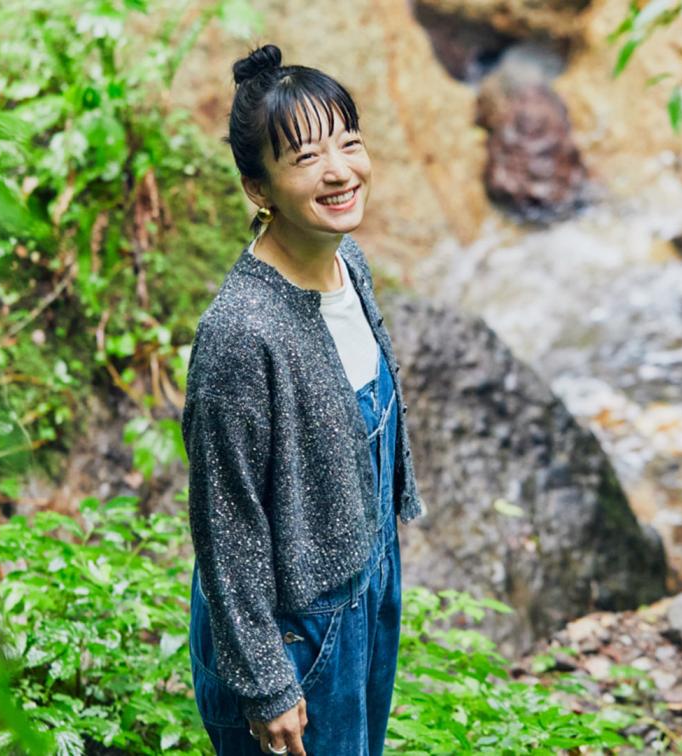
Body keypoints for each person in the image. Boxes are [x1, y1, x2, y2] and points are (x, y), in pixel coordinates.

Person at [181, 43, 425, 756]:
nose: (340, 170)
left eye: (349, 143)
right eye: (307, 157)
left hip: (363, 591)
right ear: (259, 189)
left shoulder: (348, 264)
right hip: (291, 633)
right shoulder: (241, 334)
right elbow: (225, 523)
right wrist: (266, 681)